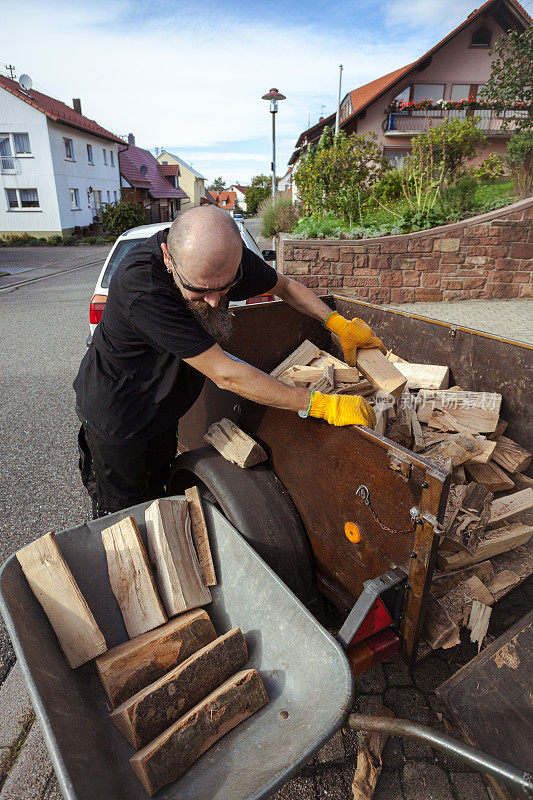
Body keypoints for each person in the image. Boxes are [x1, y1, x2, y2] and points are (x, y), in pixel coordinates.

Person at [74, 206, 385, 518]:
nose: (214, 300)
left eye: (224, 288)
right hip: (118, 414)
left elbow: (285, 287)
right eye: (198, 289)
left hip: (163, 410)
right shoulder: (142, 287)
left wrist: (336, 323)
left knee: (160, 495)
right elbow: (225, 374)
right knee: (123, 515)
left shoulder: (222, 259)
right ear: (169, 259)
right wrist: (320, 405)